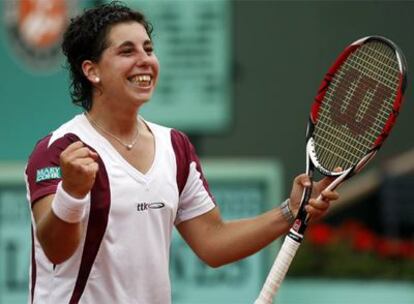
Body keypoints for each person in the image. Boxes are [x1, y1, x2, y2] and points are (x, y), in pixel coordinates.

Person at [24, 2, 339, 303]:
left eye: (148, 49)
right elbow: (56, 250)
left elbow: (213, 243)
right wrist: (73, 195)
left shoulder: (174, 147)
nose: (145, 60)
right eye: (126, 51)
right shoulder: (59, 149)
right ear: (92, 71)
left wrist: (289, 210)